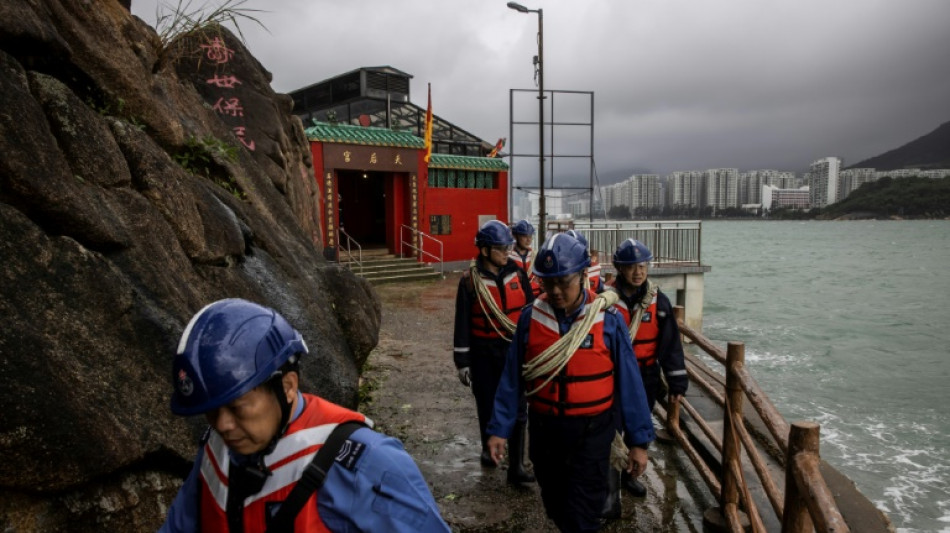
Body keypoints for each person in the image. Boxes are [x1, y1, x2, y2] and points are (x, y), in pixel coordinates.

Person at [160, 298, 451, 532]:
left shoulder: (366, 463)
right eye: (211, 411)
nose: (222, 425)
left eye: (237, 407)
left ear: (287, 386)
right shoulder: (216, 451)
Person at [486, 233, 655, 532]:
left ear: (582, 276)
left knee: (583, 512)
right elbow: (512, 378)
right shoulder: (530, 318)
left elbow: (631, 384)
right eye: (547, 283)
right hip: (546, 432)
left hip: (592, 434)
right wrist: (499, 429)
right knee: (555, 503)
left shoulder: (607, 320)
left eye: (563, 282)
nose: (555, 290)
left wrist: (638, 442)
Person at [452, 220, 536, 484]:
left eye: (508, 247)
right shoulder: (469, 282)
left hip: (514, 351)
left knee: (519, 406)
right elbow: (462, 323)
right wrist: (462, 362)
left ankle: (517, 465)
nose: (506, 253)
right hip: (483, 355)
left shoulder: (518, 275)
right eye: (501, 248)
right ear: (485, 250)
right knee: (487, 404)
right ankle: (489, 450)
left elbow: (532, 312)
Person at [607, 238, 689, 497]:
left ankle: (630, 475)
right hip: (612, 376)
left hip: (645, 375)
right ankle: (609, 488)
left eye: (643, 265)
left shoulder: (659, 302)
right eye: (632, 266)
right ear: (620, 268)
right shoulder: (606, 300)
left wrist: (677, 382)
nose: (638, 271)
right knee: (611, 430)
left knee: (638, 429)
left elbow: (671, 345)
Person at [508, 219, 541, 296]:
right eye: (524, 236)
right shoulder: (508, 256)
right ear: (515, 236)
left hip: (535, 296)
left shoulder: (535, 255)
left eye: (530, 236)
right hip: (516, 296)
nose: (528, 240)